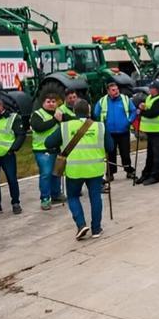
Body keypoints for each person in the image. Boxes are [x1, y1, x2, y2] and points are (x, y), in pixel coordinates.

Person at [44, 99, 113, 240]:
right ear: (89, 111)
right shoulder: (100, 126)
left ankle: (81, 225)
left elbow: (48, 142)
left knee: (73, 197)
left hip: (74, 170)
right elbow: (110, 147)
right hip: (95, 169)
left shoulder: (65, 126)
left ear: (74, 111)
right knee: (95, 197)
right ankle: (96, 229)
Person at [93, 81, 138, 181]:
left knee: (125, 153)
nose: (116, 91)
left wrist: (129, 121)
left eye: (117, 89)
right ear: (108, 91)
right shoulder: (102, 101)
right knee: (110, 154)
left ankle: (129, 171)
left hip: (124, 132)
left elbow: (133, 111)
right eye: (113, 90)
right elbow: (96, 114)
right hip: (109, 133)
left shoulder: (125, 99)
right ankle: (110, 173)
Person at [30, 92, 68, 210]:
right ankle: (45, 198)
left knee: (56, 173)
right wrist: (55, 120)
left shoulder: (59, 114)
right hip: (42, 150)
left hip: (56, 149)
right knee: (46, 174)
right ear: (43, 103)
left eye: (53, 102)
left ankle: (56, 194)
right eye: (48, 102)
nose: (51, 104)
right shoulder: (37, 114)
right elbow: (39, 127)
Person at [135, 83, 159, 185]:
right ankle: (146, 174)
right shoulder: (150, 97)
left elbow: (152, 113)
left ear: (156, 90)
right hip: (151, 132)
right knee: (150, 155)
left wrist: (142, 111)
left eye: (151, 88)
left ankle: (155, 176)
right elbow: (149, 108)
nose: (149, 90)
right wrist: (144, 106)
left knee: (158, 155)